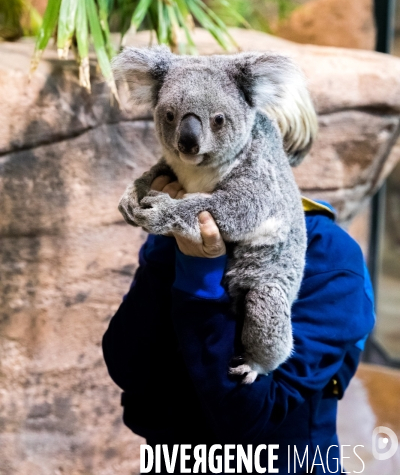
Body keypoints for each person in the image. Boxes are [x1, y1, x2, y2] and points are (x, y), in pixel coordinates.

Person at [102, 175, 375, 475]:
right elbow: (131, 373)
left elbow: (248, 421)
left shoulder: (327, 251)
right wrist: (167, 250)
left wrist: (200, 278)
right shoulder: (183, 231)